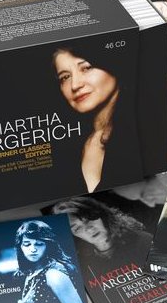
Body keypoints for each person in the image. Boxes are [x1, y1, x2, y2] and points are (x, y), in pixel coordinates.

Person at [52, 44, 139, 193]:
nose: (75, 85)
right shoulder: (68, 147)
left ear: (112, 64)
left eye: (86, 68)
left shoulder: (141, 128)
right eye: (65, 77)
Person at [48, 196, 152, 266]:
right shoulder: (80, 265)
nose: (89, 229)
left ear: (101, 215)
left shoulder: (143, 241)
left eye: (88, 219)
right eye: (77, 228)